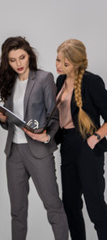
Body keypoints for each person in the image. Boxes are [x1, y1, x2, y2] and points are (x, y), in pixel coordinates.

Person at [0, 36, 68, 240]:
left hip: (38, 150)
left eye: (22, 57)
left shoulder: (44, 78)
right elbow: (10, 122)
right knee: (17, 211)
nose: (18, 63)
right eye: (12, 60)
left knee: (53, 206)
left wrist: (47, 136)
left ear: (29, 56)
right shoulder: (9, 83)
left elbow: (55, 115)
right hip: (14, 152)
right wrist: (2, 118)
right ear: (7, 62)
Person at [55, 39, 107, 240]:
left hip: (87, 147)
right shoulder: (60, 81)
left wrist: (95, 138)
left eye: (64, 63)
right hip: (67, 146)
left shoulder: (91, 82)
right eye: (57, 60)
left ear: (77, 63)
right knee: (70, 205)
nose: (58, 66)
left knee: (94, 204)